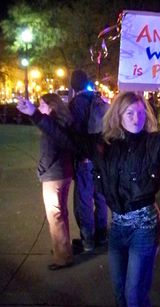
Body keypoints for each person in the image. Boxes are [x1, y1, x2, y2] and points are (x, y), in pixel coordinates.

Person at [17, 79, 160, 307]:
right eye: (129, 112)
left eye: (140, 113)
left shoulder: (152, 144)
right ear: (118, 116)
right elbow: (68, 138)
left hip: (145, 226)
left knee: (134, 296)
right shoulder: (103, 145)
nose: (135, 118)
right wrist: (35, 114)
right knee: (120, 294)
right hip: (118, 227)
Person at [68, 69, 108, 252]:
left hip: (85, 158)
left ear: (73, 85)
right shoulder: (98, 99)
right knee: (100, 196)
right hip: (101, 157)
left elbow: (73, 133)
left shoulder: (76, 103)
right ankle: (102, 234)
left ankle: (88, 240)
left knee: (83, 199)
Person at [34, 93, 74, 271]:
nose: (38, 107)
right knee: (61, 214)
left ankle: (61, 258)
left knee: (55, 217)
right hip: (64, 173)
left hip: (53, 175)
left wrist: (40, 170)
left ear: (51, 107)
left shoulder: (50, 127)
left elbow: (48, 154)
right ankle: (63, 250)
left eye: (41, 104)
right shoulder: (62, 123)